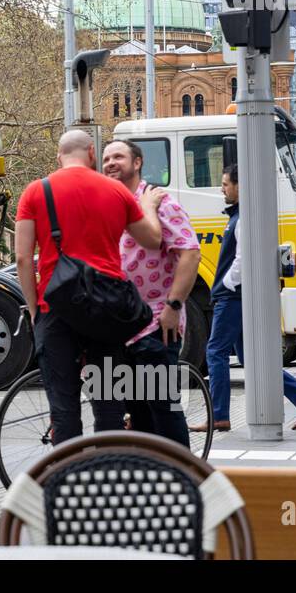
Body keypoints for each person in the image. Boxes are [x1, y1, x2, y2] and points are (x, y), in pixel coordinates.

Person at [14, 129, 164, 444]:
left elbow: (23, 259)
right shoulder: (117, 192)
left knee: (64, 408)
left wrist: (33, 309)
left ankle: (67, 484)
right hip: (106, 310)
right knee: (109, 404)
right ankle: (106, 480)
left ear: (59, 156)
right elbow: (152, 239)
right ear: (92, 154)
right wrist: (149, 206)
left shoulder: (35, 192)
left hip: (56, 307)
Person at [198, 164, 296, 433]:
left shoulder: (242, 219)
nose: (222, 188)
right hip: (237, 296)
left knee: (215, 352)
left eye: (226, 184)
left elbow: (241, 261)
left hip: (231, 297)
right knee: (251, 358)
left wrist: (225, 286)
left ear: (240, 187)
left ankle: (219, 415)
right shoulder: (240, 216)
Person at [100, 139, 200, 447]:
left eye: (118, 156)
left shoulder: (160, 202)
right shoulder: (110, 205)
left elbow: (190, 253)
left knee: (163, 407)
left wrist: (173, 306)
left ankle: (184, 478)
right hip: (119, 327)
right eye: (105, 159)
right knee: (137, 411)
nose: (110, 163)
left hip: (156, 322)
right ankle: (152, 477)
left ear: (138, 162)